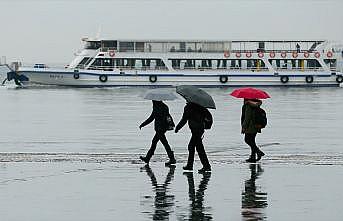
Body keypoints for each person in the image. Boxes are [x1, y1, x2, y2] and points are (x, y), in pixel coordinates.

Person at [175, 102, 211, 173]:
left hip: (195, 130)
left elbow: (184, 119)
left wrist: (178, 127)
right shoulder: (201, 106)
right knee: (197, 148)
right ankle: (203, 165)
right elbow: (208, 117)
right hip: (200, 129)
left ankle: (198, 165)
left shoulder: (188, 107)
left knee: (192, 147)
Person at [139, 100, 176, 166]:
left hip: (160, 128)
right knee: (159, 142)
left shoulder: (158, 107)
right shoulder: (164, 106)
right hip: (162, 128)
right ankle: (148, 158)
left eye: (153, 100)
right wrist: (143, 124)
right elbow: (166, 117)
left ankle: (171, 158)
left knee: (159, 142)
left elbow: (152, 118)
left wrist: (143, 124)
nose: (152, 101)